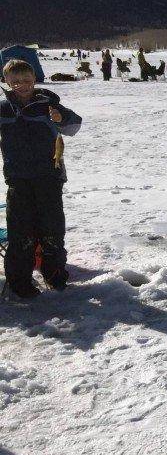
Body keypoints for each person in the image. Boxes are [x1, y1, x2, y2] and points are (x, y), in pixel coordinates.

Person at [0, 60, 82, 298]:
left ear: (34, 80)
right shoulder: (3, 110)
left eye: (26, 81)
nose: (21, 86)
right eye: (15, 82)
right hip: (18, 179)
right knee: (20, 232)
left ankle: (54, 274)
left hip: (49, 177)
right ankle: (20, 283)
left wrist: (61, 117)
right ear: (6, 82)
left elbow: (74, 125)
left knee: (52, 228)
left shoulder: (47, 104)